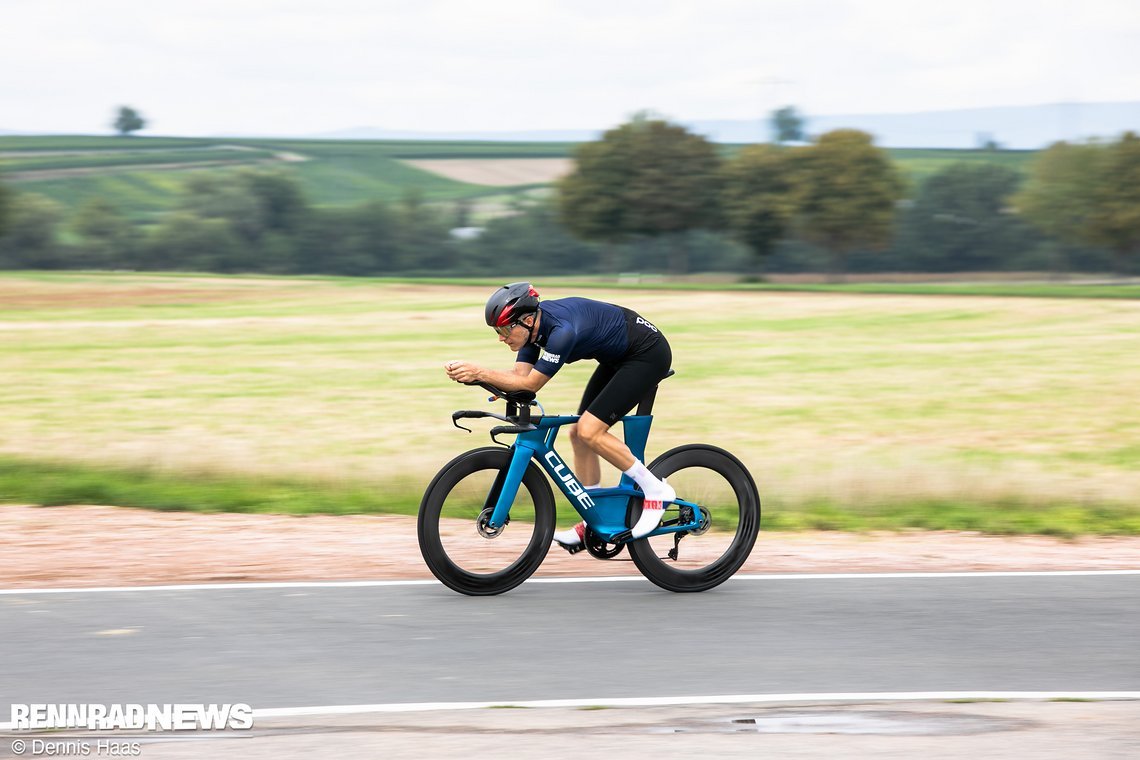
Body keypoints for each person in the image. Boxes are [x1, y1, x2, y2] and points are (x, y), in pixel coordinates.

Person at [444, 282, 674, 548]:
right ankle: (595, 518)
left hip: (647, 354)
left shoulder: (561, 332)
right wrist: (485, 382)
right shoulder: (532, 332)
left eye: (505, 329)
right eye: (497, 330)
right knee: (578, 434)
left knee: (590, 430)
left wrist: (481, 373)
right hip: (618, 357)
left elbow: (530, 385)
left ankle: (656, 490)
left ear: (527, 320)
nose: (501, 337)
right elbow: (519, 377)